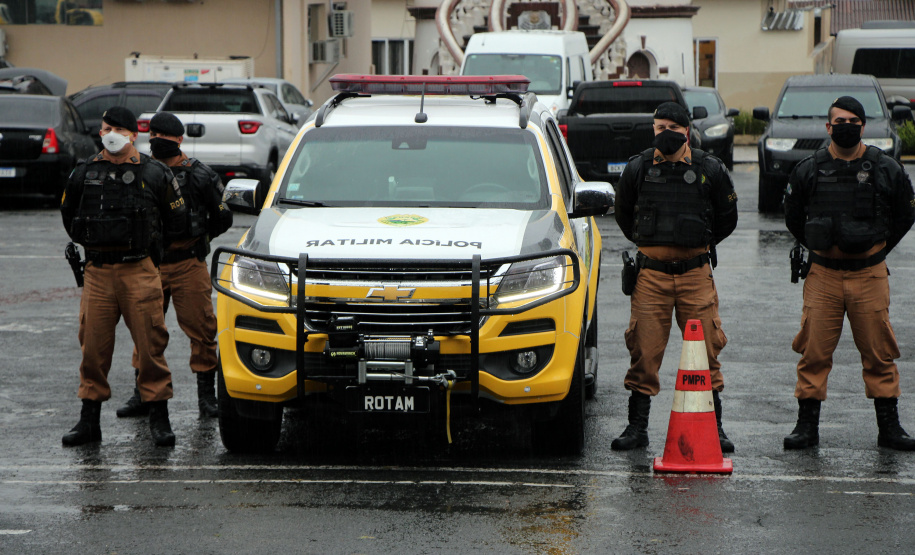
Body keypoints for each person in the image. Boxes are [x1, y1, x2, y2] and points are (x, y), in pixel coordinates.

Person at [783, 96, 915, 451]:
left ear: (863, 126)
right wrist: (818, 245)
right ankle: (806, 427)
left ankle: (890, 428)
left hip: (869, 275)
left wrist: (877, 248)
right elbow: (793, 215)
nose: (846, 127)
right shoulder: (809, 169)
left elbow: (906, 213)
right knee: (813, 352)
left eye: (853, 121)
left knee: (879, 352)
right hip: (823, 275)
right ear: (828, 127)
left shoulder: (884, 167)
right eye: (839, 121)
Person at [611, 101, 739, 452]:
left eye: (672, 128)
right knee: (644, 351)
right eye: (659, 128)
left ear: (686, 131)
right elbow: (623, 214)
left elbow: (728, 217)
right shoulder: (638, 167)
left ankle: (715, 428)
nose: (665, 133)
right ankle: (637, 428)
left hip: (695, 274)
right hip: (651, 277)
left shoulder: (709, 168)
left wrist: (700, 244)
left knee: (707, 350)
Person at [60, 106, 187, 447]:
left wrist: (152, 255)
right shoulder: (84, 171)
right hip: (98, 272)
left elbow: (176, 222)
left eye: (117, 129)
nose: (111, 134)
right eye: (105, 128)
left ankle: (158, 417)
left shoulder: (155, 172)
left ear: (133, 134)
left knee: (150, 346)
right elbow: (69, 214)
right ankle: (89, 421)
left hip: (139, 270)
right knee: (93, 348)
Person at [114, 112, 233, 420]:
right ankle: (142, 394)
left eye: (164, 136)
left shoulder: (199, 175)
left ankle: (207, 396)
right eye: (153, 135)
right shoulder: (138, 171)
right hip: (148, 265)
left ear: (179, 140)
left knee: (202, 329)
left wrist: (200, 238)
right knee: (146, 331)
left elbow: (223, 216)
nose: (157, 141)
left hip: (187, 263)